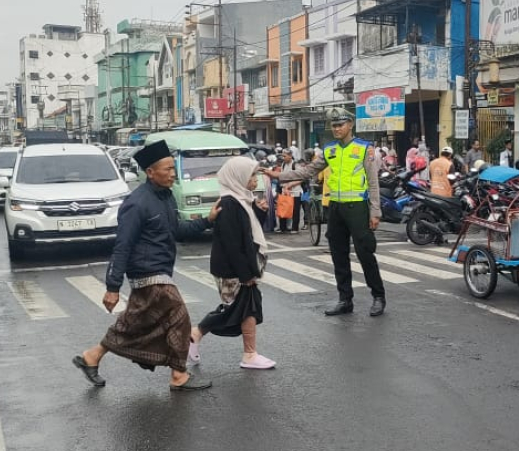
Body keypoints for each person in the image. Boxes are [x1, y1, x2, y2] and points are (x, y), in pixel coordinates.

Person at [72, 140, 219, 391]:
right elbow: (123, 245)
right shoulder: (136, 203)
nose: (173, 174)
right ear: (150, 172)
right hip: (147, 273)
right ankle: (178, 375)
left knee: (134, 324)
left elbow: (177, 231)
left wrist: (207, 220)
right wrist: (112, 286)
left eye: (174, 168)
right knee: (180, 317)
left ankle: (92, 357)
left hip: (162, 271)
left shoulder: (167, 197)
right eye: (167, 169)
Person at [276, 108, 386, 316]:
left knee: (365, 254)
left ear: (350, 125)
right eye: (334, 125)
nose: (336, 128)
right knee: (338, 255)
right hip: (335, 208)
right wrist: (279, 175)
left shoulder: (364, 149)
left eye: (340, 124)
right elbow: (307, 171)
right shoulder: (329, 150)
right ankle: (345, 300)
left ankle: (378, 296)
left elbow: (373, 182)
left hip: (358, 208)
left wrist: (375, 211)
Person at [189, 157, 275, 370]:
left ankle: (248, 353)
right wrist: (246, 275)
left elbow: (248, 234)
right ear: (238, 177)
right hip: (231, 269)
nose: (255, 180)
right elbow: (232, 243)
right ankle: (198, 334)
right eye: (251, 175)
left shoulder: (241, 200)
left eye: (255, 175)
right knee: (237, 309)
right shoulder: (229, 203)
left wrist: (260, 213)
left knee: (247, 307)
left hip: (238, 267)